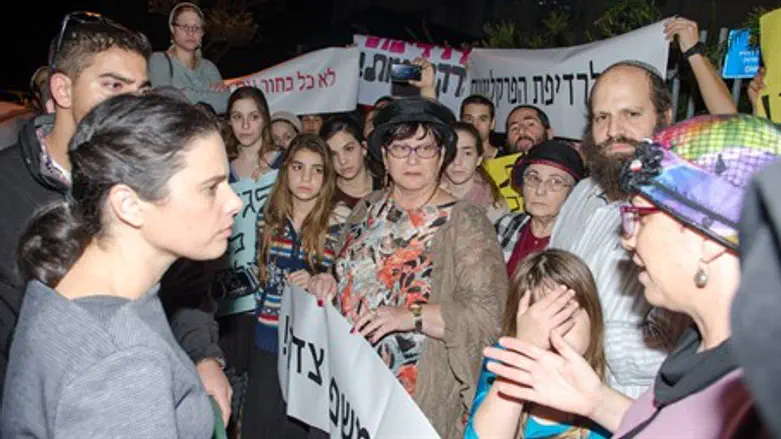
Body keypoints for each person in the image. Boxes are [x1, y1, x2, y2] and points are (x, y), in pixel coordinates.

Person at [482, 114, 780, 438]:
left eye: (641, 216)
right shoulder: (701, 349)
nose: (627, 238)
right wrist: (597, 402)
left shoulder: (761, 395)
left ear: (708, 236)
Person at [2, 93, 243, 437]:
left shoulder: (67, 279)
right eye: (210, 188)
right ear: (128, 205)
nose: (234, 202)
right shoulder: (121, 366)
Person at [308, 97, 508, 438]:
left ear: (441, 156)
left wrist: (412, 315)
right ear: (385, 156)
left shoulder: (466, 222)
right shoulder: (367, 208)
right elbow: (348, 273)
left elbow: (489, 317)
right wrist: (326, 282)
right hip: (349, 392)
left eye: (425, 148)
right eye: (401, 148)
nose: (413, 159)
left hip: (413, 402)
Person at [0, 10, 154, 409]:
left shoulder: (147, 183)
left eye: (140, 91)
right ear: (63, 90)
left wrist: (203, 355)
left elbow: (180, 290)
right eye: (113, 85)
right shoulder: (6, 184)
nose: (132, 106)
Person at [242, 134, 340, 439]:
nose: (306, 178)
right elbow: (257, 275)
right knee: (258, 427)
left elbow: (344, 285)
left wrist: (318, 282)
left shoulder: (338, 225)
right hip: (267, 338)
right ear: (286, 172)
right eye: (298, 167)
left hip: (311, 347)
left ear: (326, 177)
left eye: (316, 170)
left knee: (295, 430)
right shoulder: (267, 220)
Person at [467, 249, 610, 439]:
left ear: (593, 317)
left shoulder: (604, 413)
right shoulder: (503, 360)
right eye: (539, 319)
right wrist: (520, 353)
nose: (553, 331)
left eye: (564, 313)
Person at [498, 140, 585, 273]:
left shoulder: (579, 240)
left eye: (555, 182)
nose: (540, 191)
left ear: (572, 193)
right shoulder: (507, 225)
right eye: (534, 178)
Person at [148, 2, 231, 113]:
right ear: (173, 29)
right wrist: (211, 95)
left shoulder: (209, 67)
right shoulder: (159, 60)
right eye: (185, 27)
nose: (190, 33)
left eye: (196, 28)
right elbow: (166, 100)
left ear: (202, 33)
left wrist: (183, 94)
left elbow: (226, 102)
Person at [320, 115, 383, 225]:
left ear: (364, 148)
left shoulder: (387, 185)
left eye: (349, 149)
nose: (342, 160)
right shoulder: (324, 197)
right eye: (333, 154)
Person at [441, 122, 503, 213]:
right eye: (452, 152)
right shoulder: (426, 193)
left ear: (479, 159)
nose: (457, 162)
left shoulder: (496, 207)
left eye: (467, 153)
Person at [226, 86, 280, 182]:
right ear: (229, 121)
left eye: (254, 117)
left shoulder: (287, 161)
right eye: (237, 117)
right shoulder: (221, 169)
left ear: (265, 120)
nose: (245, 125)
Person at [460, 94, 501, 159]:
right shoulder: (451, 159)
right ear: (461, 122)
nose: (475, 125)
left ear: (492, 124)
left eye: (482, 119)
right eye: (469, 119)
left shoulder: (508, 160)